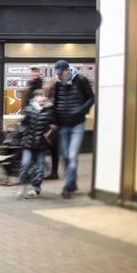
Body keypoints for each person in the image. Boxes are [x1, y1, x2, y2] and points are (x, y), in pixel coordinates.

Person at [52, 59, 95, 199]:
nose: (59, 76)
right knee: (65, 155)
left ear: (67, 71)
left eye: (61, 74)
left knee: (72, 156)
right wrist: (54, 121)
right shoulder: (58, 85)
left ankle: (68, 187)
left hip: (77, 124)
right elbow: (55, 103)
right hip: (63, 125)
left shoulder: (81, 80)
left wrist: (80, 111)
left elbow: (91, 98)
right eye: (57, 74)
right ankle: (73, 182)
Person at [18, 89, 57, 198]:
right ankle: (23, 184)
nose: (43, 97)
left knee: (40, 168)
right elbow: (23, 124)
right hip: (28, 144)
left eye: (45, 96)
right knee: (25, 165)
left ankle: (36, 188)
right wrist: (22, 132)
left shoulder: (50, 110)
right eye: (41, 95)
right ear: (35, 97)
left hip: (42, 144)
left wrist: (52, 129)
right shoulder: (29, 109)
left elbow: (54, 124)